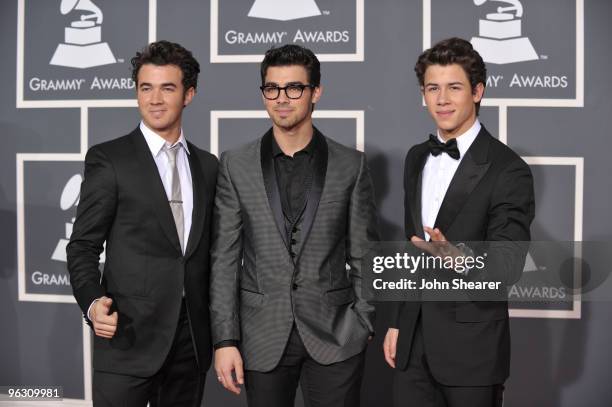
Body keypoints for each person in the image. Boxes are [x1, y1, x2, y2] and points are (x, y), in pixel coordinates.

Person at [210, 44, 378, 407]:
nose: (281, 98)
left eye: (294, 88)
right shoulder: (235, 165)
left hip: (335, 334)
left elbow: (365, 253)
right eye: (272, 88)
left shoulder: (351, 165)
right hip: (262, 336)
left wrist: (363, 321)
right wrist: (225, 340)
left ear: (316, 92)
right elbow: (225, 258)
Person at [383, 37, 535, 407]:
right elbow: (413, 252)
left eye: (454, 87)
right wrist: (399, 321)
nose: (442, 99)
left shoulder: (508, 170)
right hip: (413, 346)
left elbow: (507, 266)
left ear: (478, 91)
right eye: (432, 88)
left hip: (472, 352)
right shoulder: (416, 158)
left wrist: (456, 255)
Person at [66, 40, 218, 407]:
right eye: (145, 88)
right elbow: (83, 245)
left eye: (167, 88)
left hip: (190, 343)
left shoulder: (209, 166)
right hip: (127, 338)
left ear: (189, 94)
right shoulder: (110, 159)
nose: (154, 99)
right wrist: (91, 302)